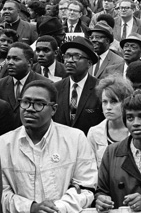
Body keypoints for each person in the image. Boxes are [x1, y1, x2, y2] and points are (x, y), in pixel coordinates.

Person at [0, 80, 98, 213]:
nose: (30, 108)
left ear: (54, 109)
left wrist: (57, 209)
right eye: (25, 102)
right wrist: (31, 208)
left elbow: (86, 187)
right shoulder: (4, 144)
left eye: (39, 104)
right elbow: (3, 193)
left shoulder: (75, 138)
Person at [53, 37, 104, 134]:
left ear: (89, 63)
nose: (70, 61)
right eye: (67, 56)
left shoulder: (100, 88)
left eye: (77, 56)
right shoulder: (55, 88)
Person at [0, 42, 49, 130]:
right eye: (8, 58)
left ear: (29, 62)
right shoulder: (1, 84)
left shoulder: (45, 85)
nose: (10, 62)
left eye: (16, 59)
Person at [87, 76, 134, 168]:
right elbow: (90, 168)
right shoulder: (94, 132)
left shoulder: (136, 129)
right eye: (104, 102)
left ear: (126, 102)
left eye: (114, 101)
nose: (108, 107)